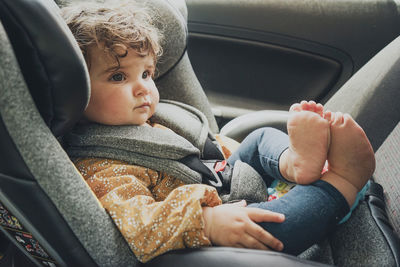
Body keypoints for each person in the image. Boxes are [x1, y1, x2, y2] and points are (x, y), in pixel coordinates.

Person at [61, 1, 376, 263]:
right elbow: (139, 224)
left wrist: (226, 153)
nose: (143, 87)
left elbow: (196, 152)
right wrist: (206, 222)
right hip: (208, 227)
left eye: (146, 73)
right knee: (271, 227)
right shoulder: (101, 169)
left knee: (259, 138)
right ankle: (343, 181)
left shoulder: (143, 120)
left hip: (216, 179)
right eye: (118, 77)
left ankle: (295, 162)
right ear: (77, 92)